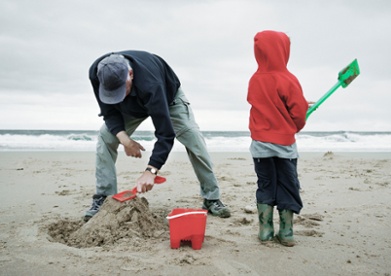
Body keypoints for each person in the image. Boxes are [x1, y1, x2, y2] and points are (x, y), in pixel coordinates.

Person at [84, 50, 231, 221]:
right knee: (105, 138)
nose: (117, 96)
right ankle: (105, 199)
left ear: (130, 74)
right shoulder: (97, 72)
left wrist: (151, 171)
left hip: (169, 99)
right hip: (130, 107)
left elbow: (165, 133)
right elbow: (109, 112)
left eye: (120, 90)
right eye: (111, 92)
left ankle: (212, 198)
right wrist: (125, 140)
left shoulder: (150, 83)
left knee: (194, 140)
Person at [247, 30, 309, 246]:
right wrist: (295, 125)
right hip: (284, 146)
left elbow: (266, 103)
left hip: (260, 146)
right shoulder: (288, 79)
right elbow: (298, 113)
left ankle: (265, 230)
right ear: (284, 51)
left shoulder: (255, 79)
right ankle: (286, 232)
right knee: (287, 185)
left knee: (265, 184)